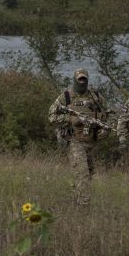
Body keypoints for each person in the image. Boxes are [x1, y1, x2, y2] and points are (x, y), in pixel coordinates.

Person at [48, 68, 113, 205]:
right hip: (74, 141)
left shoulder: (95, 97)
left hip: (91, 140)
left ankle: (76, 196)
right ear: (75, 80)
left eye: (84, 79)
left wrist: (106, 130)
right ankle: (84, 206)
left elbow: (110, 113)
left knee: (89, 172)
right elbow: (52, 116)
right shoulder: (66, 97)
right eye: (79, 79)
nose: (82, 82)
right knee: (82, 173)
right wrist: (71, 119)